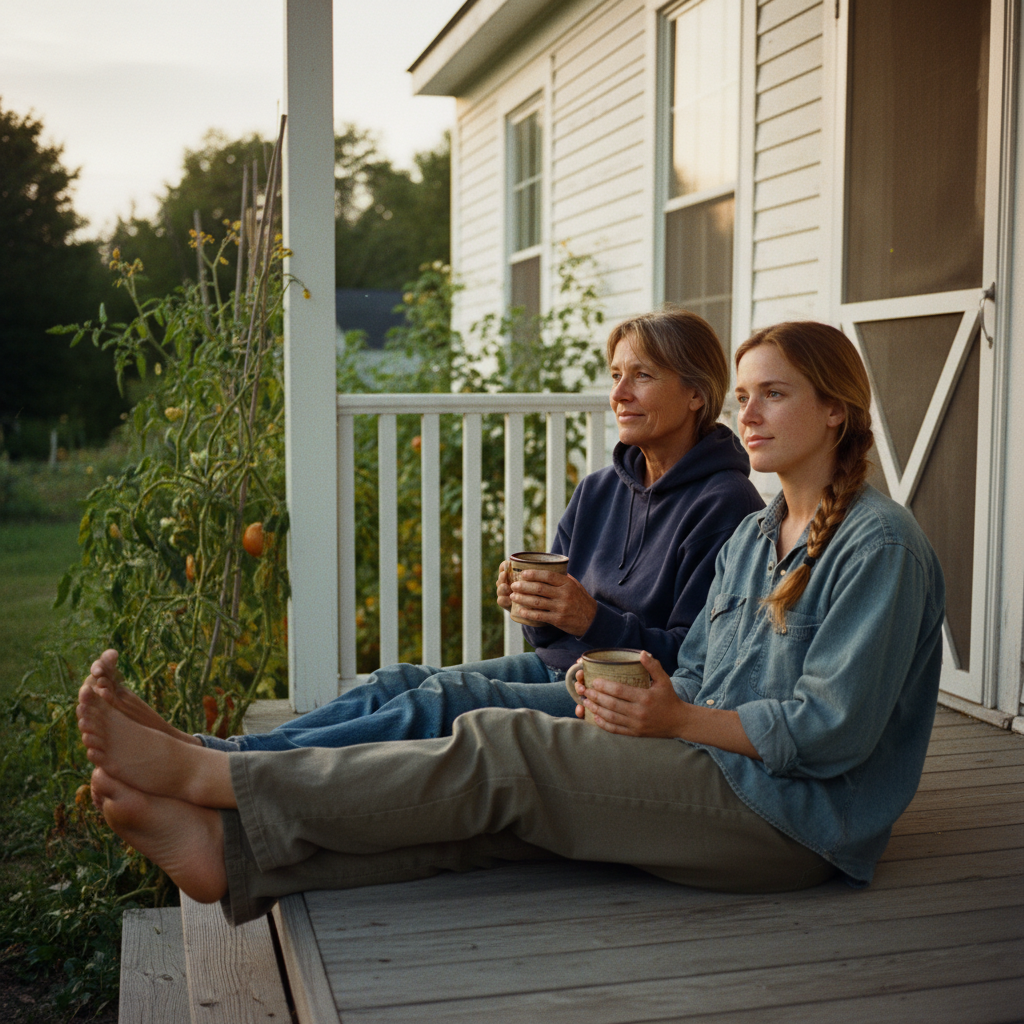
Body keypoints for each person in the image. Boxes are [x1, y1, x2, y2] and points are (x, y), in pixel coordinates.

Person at [76, 320, 945, 928]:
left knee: (505, 748)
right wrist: (639, 691)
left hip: (791, 821)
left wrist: (675, 717)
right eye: (745, 396)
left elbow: (832, 734)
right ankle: (233, 856)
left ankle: (215, 777)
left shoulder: (879, 546)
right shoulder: (759, 535)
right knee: (504, 811)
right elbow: (707, 673)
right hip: (711, 763)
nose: (746, 414)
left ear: (835, 410)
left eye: (773, 396)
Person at [93, 309, 763, 752]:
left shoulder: (726, 503)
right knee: (397, 680)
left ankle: (220, 766)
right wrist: (536, 608)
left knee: (446, 698)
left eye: (642, 377)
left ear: (697, 393)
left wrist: (589, 617)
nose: (619, 393)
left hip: (622, 702)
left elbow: (686, 661)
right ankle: (213, 752)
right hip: (562, 667)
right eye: (616, 375)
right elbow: (558, 635)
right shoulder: (600, 489)